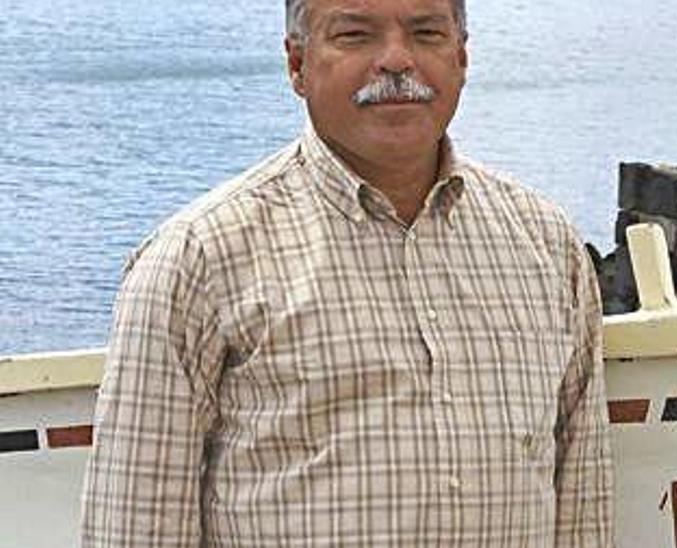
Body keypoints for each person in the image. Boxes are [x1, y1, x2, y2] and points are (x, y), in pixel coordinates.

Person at [79, 0, 614, 545]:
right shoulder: (199, 260)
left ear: (461, 56)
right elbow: (133, 525)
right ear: (297, 64)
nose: (396, 61)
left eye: (427, 33)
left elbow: (582, 508)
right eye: (355, 35)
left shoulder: (544, 244)